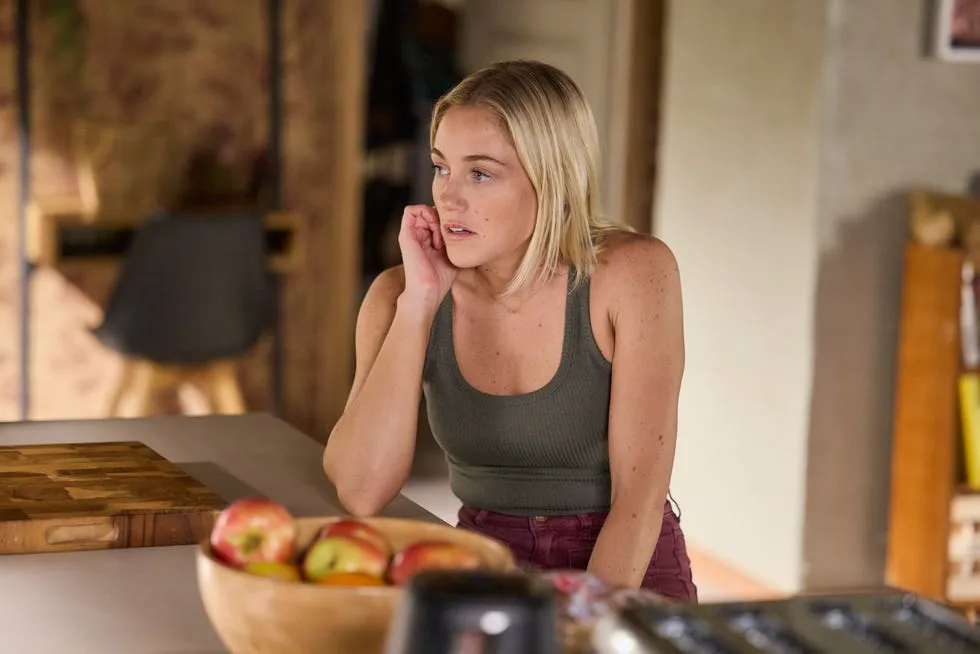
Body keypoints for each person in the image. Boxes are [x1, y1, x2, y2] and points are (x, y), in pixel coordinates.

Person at [323, 60, 697, 601]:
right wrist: (419, 303)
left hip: (626, 568)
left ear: (552, 180)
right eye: (441, 168)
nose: (448, 198)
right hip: (484, 564)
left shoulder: (634, 274)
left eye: (480, 174)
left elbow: (638, 498)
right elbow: (361, 490)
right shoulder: (398, 295)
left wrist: (578, 623)